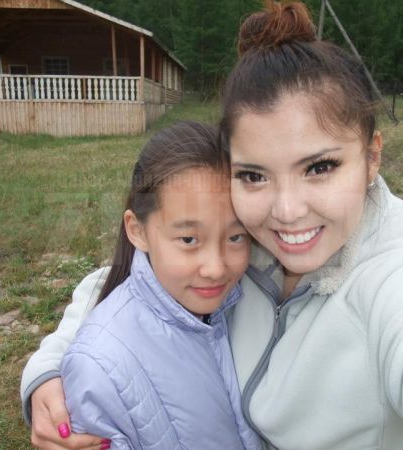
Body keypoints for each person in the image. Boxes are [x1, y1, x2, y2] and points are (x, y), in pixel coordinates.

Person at [21, 2, 403, 449]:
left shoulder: (399, 274)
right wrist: (48, 368)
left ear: (372, 157)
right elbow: (131, 277)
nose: (286, 212)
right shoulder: (238, 232)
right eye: (254, 175)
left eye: (320, 167)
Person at [46, 121, 261, 450]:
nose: (216, 268)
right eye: (188, 239)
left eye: (236, 237)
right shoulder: (99, 372)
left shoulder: (253, 296)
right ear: (138, 231)